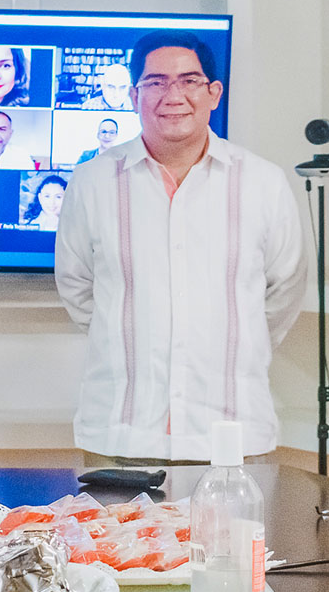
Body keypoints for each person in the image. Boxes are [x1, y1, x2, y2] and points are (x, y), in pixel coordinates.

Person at [55, 30, 306, 463]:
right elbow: (77, 287)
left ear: (214, 92)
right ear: (134, 95)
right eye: (155, 82)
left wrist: (231, 339)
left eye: (189, 81)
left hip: (231, 434)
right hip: (120, 433)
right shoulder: (92, 182)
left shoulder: (262, 183)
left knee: (233, 534)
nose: (173, 95)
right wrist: (130, 335)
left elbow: (284, 291)